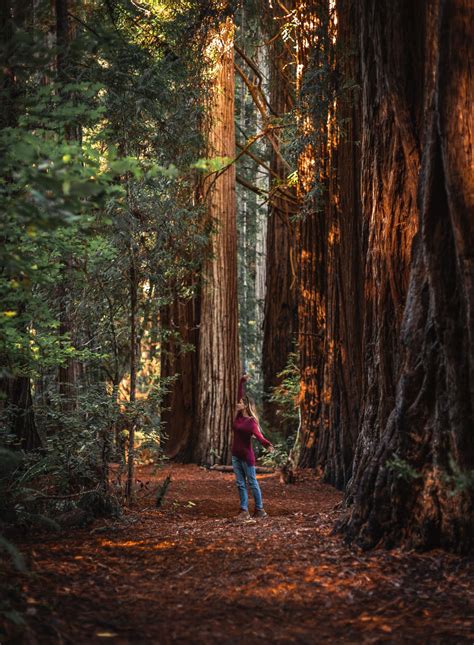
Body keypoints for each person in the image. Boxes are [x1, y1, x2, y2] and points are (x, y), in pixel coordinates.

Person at [231, 373, 274, 520]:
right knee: (240, 484)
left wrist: (267, 445)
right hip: (235, 456)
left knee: (252, 482)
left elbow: (259, 436)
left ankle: (260, 510)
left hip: (246, 458)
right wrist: (241, 381)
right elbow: (239, 394)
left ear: (246, 405)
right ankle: (244, 511)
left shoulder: (251, 422)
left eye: (241, 402)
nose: (238, 403)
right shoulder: (238, 417)